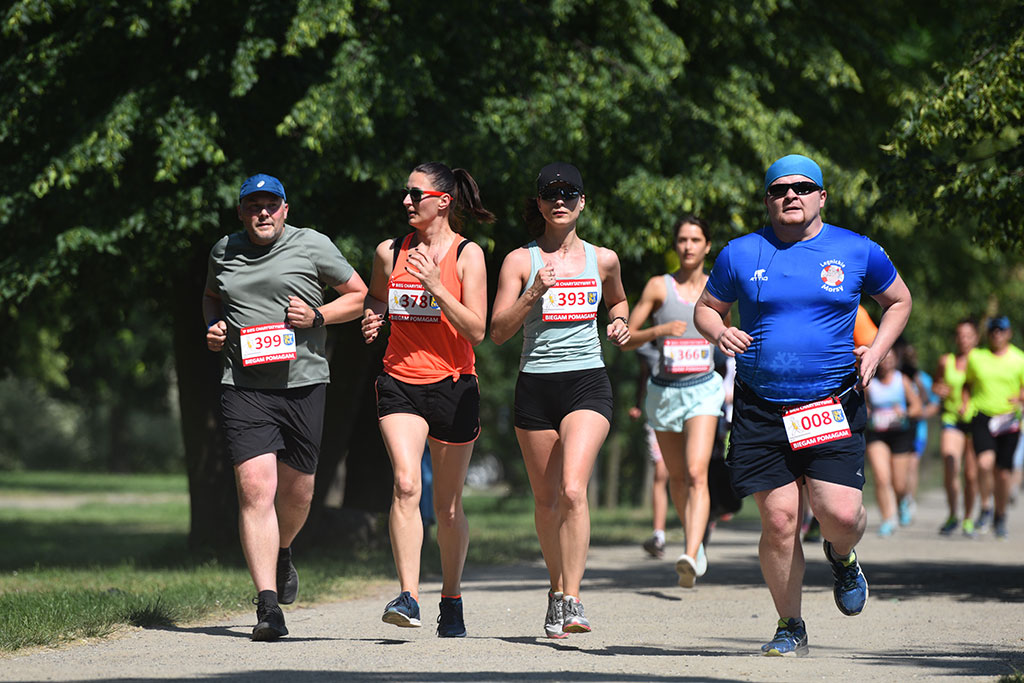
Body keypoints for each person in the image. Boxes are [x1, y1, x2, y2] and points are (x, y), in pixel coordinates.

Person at [693, 154, 912, 657]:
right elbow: (706, 308)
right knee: (780, 520)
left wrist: (876, 351)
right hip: (761, 406)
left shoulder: (856, 250)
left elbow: (899, 300)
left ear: (821, 196)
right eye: (779, 189)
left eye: (802, 187)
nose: (791, 195)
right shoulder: (740, 253)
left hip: (830, 402)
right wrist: (719, 330)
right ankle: (790, 624)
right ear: (767, 199)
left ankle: (841, 555)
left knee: (838, 513)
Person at [203, 173, 368, 641]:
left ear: (285, 209)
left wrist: (317, 316)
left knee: (298, 493)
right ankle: (268, 606)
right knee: (256, 489)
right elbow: (212, 297)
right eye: (253, 205)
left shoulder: (312, 245)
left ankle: (284, 550)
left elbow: (358, 297)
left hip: (303, 384)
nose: (262, 213)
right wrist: (214, 327)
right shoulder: (223, 251)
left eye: (270, 204)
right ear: (240, 212)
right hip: (244, 385)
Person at [490, 162, 630, 638]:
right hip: (535, 386)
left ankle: (572, 598)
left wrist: (619, 322)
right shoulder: (519, 260)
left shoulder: (603, 258)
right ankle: (555, 591)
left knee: (573, 489)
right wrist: (533, 293)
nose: (560, 201)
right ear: (540, 204)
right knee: (547, 500)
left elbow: (619, 301)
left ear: (582, 202)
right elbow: (498, 333)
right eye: (550, 194)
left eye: (569, 193)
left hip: (587, 383)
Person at [361, 162, 494, 637]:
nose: (406, 202)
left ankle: (451, 598)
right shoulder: (387, 252)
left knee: (449, 505)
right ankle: (409, 595)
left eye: (415, 194)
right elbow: (377, 298)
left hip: (454, 386)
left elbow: (477, 329)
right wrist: (372, 318)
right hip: (399, 381)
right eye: (405, 194)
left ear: (443, 201)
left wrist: (436, 287)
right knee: (404, 483)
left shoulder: (467, 255)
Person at [622, 215, 724, 588]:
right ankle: (694, 548)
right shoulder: (658, 287)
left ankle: (691, 548)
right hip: (664, 391)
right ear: (674, 245)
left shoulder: (720, 286)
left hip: (704, 388)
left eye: (696, 239)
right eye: (682, 239)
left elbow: (735, 332)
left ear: (707, 245)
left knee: (697, 472)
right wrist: (660, 330)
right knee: (677, 477)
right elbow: (627, 337)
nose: (688, 246)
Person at [962, 315, 1024, 539]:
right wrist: (965, 402)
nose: (997, 334)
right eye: (993, 330)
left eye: (1001, 330)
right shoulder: (977, 357)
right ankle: (986, 506)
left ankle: (1001, 514)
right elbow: (967, 384)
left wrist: (1020, 400)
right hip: (983, 416)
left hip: (1009, 420)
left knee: (1004, 474)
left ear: (1009, 333)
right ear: (988, 333)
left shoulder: (1019, 359)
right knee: (984, 463)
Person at [864, 348, 922, 537]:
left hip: (900, 434)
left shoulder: (901, 380)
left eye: (890, 358)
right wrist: (868, 413)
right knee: (881, 477)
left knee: (899, 483)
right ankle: (888, 519)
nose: (887, 362)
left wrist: (904, 413)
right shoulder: (869, 381)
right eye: (884, 359)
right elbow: (864, 407)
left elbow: (917, 407)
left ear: (895, 360)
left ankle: (903, 500)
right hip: (877, 434)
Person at [933, 317, 980, 535]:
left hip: (975, 420)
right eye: (960, 335)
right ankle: (953, 513)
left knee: (971, 474)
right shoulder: (946, 360)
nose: (964, 340)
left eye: (968, 335)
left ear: (976, 338)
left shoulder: (983, 361)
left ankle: (969, 517)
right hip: (951, 418)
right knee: (949, 460)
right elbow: (937, 383)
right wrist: (939, 389)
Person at [630, 341, 671, 559]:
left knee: (693, 474)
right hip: (656, 416)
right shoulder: (646, 348)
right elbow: (643, 376)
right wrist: (638, 403)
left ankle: (698, 535)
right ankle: (659, 535)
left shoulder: (695, 335)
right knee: (661, 473)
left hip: (692, 413)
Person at [898, 341, 940, 525]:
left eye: (911, 355)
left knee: (912, 466)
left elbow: (931, 403)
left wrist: (920, 412)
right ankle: (900, 500)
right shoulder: (895, 378)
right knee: (900, 469)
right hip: (898, 429)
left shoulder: (923, 379)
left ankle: (909, 500)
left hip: (918, 430)